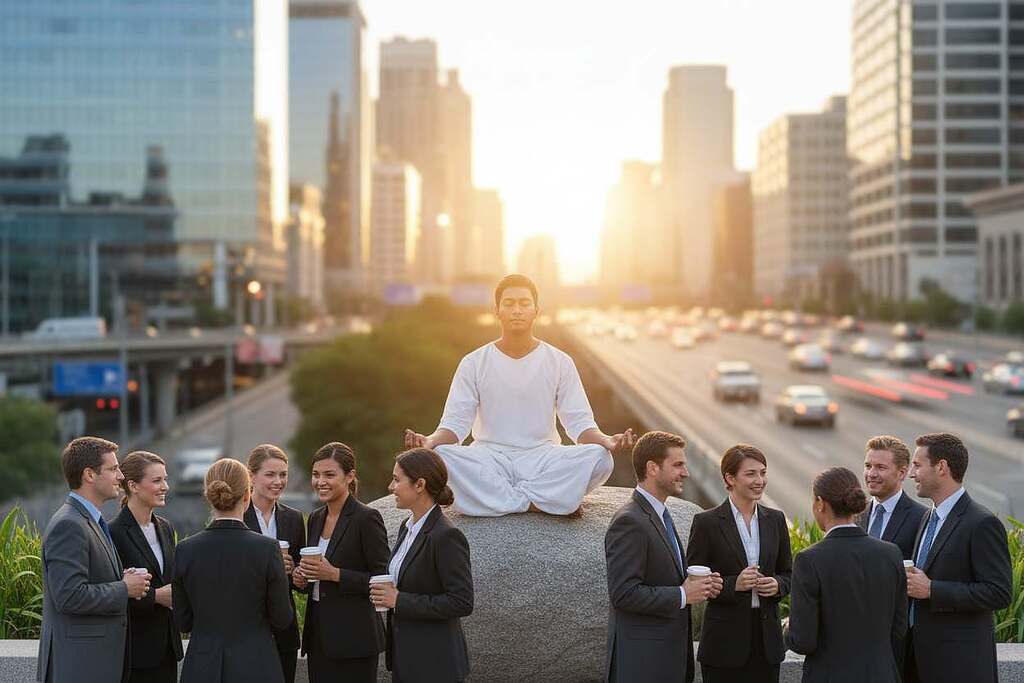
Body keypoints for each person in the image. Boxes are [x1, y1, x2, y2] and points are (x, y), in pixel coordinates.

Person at [403, 273, 634, 517]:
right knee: (439, 455)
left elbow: (579, 423)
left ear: (536, 310)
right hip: (490, 458)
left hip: (543, 457)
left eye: (524, 304)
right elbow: (455, 424)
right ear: (497, 310)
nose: (516, 310)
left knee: (601, 458)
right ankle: (541, 502)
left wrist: (606, 440)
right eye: (509, 303)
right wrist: (430, 441)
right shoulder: (474, 362)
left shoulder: (559, 361)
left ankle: (499, 500)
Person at [604, 431, 723, 683]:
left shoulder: (659, 515)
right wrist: (682, 595)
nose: (686, 472)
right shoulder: (629, 521)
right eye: (678, 464)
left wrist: (701, 586)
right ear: (652, 468)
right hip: (644, 666)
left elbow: (665, 577)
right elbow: (623, 594)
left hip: (666, 663)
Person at [37, 437, 151, 683]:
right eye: (113, 469)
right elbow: (69, 596)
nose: (120, 476)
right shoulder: (69, 524)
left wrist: (121, 579)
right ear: (89, 475)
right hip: (80, 669)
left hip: (93, 666)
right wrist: (124, 588)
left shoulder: (89, 520)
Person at [904, 433, 1012, 683]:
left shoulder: (982, 523)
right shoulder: (927, 517)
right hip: (920, 662)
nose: (911, 473)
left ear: (941, 467)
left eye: (917, 465)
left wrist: (932, 589)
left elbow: (999, 592)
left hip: (960, 667)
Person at [173, 458, 292, 683]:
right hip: (257, 666)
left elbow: (183, 622)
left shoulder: (185, 550)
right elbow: (282, 618)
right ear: (247, 496)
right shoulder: (267, 549)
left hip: (202, 667)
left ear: (208, 495)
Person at [785, 467, 907, 683]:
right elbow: (899, 629)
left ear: (820, 504)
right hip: (882, 675)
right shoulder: (890, 553)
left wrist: (788, 628)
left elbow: (803, 641)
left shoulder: (809, 560)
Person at [686, 444, 791, 683]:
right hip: (723, 644)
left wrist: (777, 585)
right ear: (730, 478)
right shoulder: (706, 523)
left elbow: (789, 573)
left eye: (763, 473)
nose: (760, 480)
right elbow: (695, 580)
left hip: (768, 643)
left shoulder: (775, 520)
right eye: (751, 473)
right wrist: (735, 584)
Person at [371, 447, 474, 683]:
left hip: (436, 664)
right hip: (406, 660)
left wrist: (398, 600)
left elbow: (461, 602)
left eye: (397, 480)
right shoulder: (406, 528)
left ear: (419, 485)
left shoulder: (446, 536)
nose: (391, 486)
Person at [292, 442, 389, 682]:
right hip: (318, 639)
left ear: (350, 476)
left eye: (329, 475)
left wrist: (335, 574)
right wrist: (300, 577)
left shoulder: (367, 518)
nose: (320, 481)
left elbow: (383, 580)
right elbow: (316, 579)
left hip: (355, 640)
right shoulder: (315, 518)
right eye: (316, 475)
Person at [109, 451, 182, 683]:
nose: (165, 487)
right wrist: (156, 596)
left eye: (165, 479)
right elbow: (111, 591)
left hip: (168, 649)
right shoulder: (112, 533)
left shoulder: (166, 528)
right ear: (133, 485)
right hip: (135, 653)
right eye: (157, 480)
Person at [244, 444, 306, 683]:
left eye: (283, 474)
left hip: (284, 631)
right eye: (270, 474)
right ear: (251, 476)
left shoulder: (293, 518)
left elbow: (302, 584)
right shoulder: (237, 517)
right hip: (247, 628)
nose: (278, 481)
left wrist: (298, 574)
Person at [856, 435, 928, 559]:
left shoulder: (922, 518)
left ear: (901, 473)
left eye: (881, 467)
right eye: (868, 466)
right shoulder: (855, 514)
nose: (871, 474)